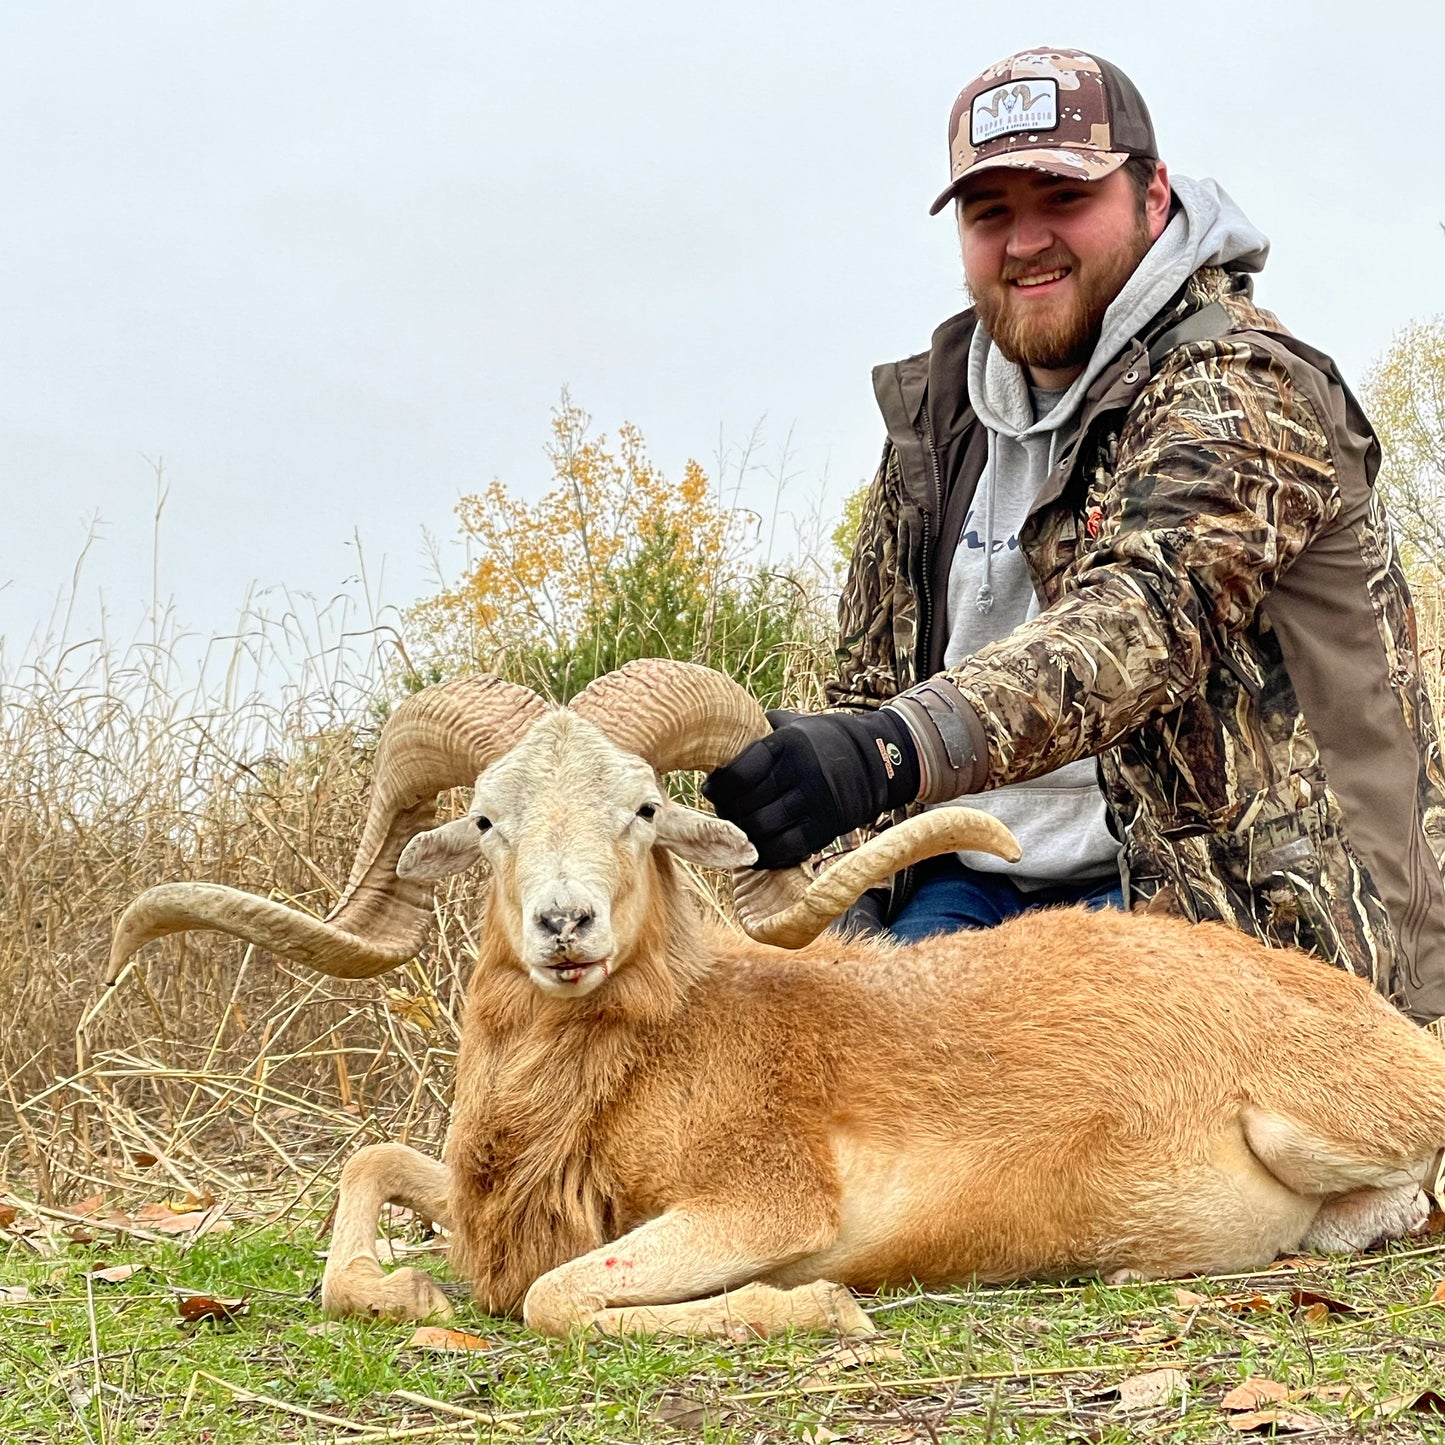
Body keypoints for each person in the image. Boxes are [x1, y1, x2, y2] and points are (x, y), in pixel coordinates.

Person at [703, 47, 1445, 1023]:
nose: (1026, 241)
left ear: (1152, 192)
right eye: (990, 212)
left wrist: (880, 751)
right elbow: (866, 684)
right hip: (958, 889)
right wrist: (819, 828)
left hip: (1208, 915)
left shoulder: (1241, 388)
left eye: (1061, 197)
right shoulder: (931, 422)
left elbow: (1135, 622)